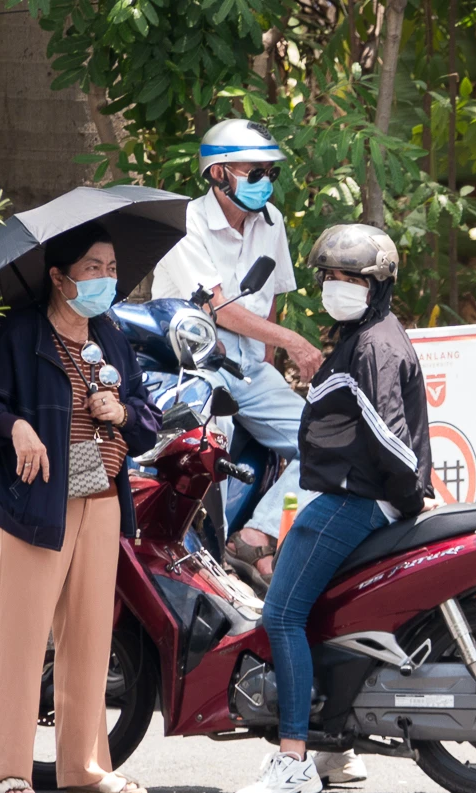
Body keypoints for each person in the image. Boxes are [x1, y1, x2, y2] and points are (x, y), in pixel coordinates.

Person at [0, 222, 162, 793]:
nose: (107, 278)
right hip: (33, 504)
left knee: (91, 635)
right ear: (59, 277)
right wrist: (14, 426)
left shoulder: (110, 337)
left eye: (112, 268)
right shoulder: (16, 334)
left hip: (100, 499)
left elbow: (147, 417)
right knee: (18, 636)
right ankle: (2, 773)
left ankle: (84, 767)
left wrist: (120, 412)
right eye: (94, 268)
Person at [234, 223, 428, 793]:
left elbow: (390, 439)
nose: (337, 287)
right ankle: (335, 748)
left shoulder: (372, 346)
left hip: (356, 500)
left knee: (283, 614)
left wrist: (412, 492)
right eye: (331, 277)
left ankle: (291, 758)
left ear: (379, 285)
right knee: (322, 611)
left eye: (352, 278)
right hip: (358, 494)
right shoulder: (365, 335)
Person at [150, 119, 322, 581]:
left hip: (248, 369)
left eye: (270, 172)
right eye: (254, 172)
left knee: (326, 440)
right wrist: (293, 344)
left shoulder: (273, 223)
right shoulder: (185, 223)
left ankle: (254, 537)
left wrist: (267, 363)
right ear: (218, 173)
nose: (265, 182)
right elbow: (219, 306)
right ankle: (204, 560)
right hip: (192, 369)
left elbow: (273, 299)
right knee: (213, 446)